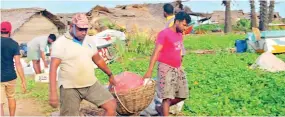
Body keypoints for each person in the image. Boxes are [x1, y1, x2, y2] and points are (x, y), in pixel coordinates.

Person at [48, 13, 117, 116]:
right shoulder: (60, 43)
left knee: (111, 106)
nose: (84, 32)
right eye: (80, 29)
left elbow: (98, 60)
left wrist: (110, 74)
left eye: (86, 29)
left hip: (91, 84)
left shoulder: (89, 40)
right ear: (72, 26)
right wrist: (53, 93)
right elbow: (53, 68)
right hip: (70, 88)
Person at [144, 11, 191, 116]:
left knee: (183, 95)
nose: (184, 28)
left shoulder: (179, 34)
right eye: (184, 25)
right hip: (165, 68)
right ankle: (164, 111)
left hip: (177, 68)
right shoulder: (164, 34)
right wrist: (149, 70)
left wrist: (180, 64)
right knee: (167, 98)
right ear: (177, 21)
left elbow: (178, 51)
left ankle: (161, 108)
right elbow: (156, 52)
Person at [1, 21, 27, 116]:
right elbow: (18, 63)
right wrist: (23, 80)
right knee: (11, 97)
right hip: (11, 76)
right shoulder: (14, 44)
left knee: (0, 103)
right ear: (10, 31)